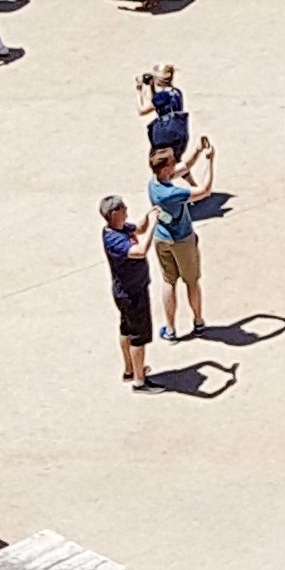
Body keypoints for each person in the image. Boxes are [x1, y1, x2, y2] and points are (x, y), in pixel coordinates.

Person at [148, 132, 215, 339]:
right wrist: (210, 162)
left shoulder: (154, 183)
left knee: (169, 282)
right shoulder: (172, 193)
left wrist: (197, 150)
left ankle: (170, 329)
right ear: (166, 169)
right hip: (182, 240)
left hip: (161, 238)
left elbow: (184, 167)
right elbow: (205, 190)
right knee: (192, 281)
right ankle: (198, 321)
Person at [99, 195, 155, 388]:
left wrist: (149, 216)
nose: (127, 209)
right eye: (123, 208)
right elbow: (140, 251)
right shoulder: (114, 240)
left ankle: (130, 369)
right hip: (132, 294)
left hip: (125, 292)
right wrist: (154, 224)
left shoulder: (119, 228)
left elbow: (139, 228)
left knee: (127, 329)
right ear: (114, 214)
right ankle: (140, 381)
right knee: (139, 335)